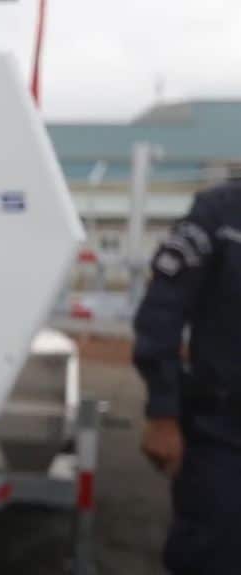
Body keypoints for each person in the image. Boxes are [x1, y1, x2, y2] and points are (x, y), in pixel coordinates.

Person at [132, 178, 241, 575]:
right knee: (214, 556)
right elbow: (161, 314)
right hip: (223, 437)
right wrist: (163, 413)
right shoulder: (219, 216)